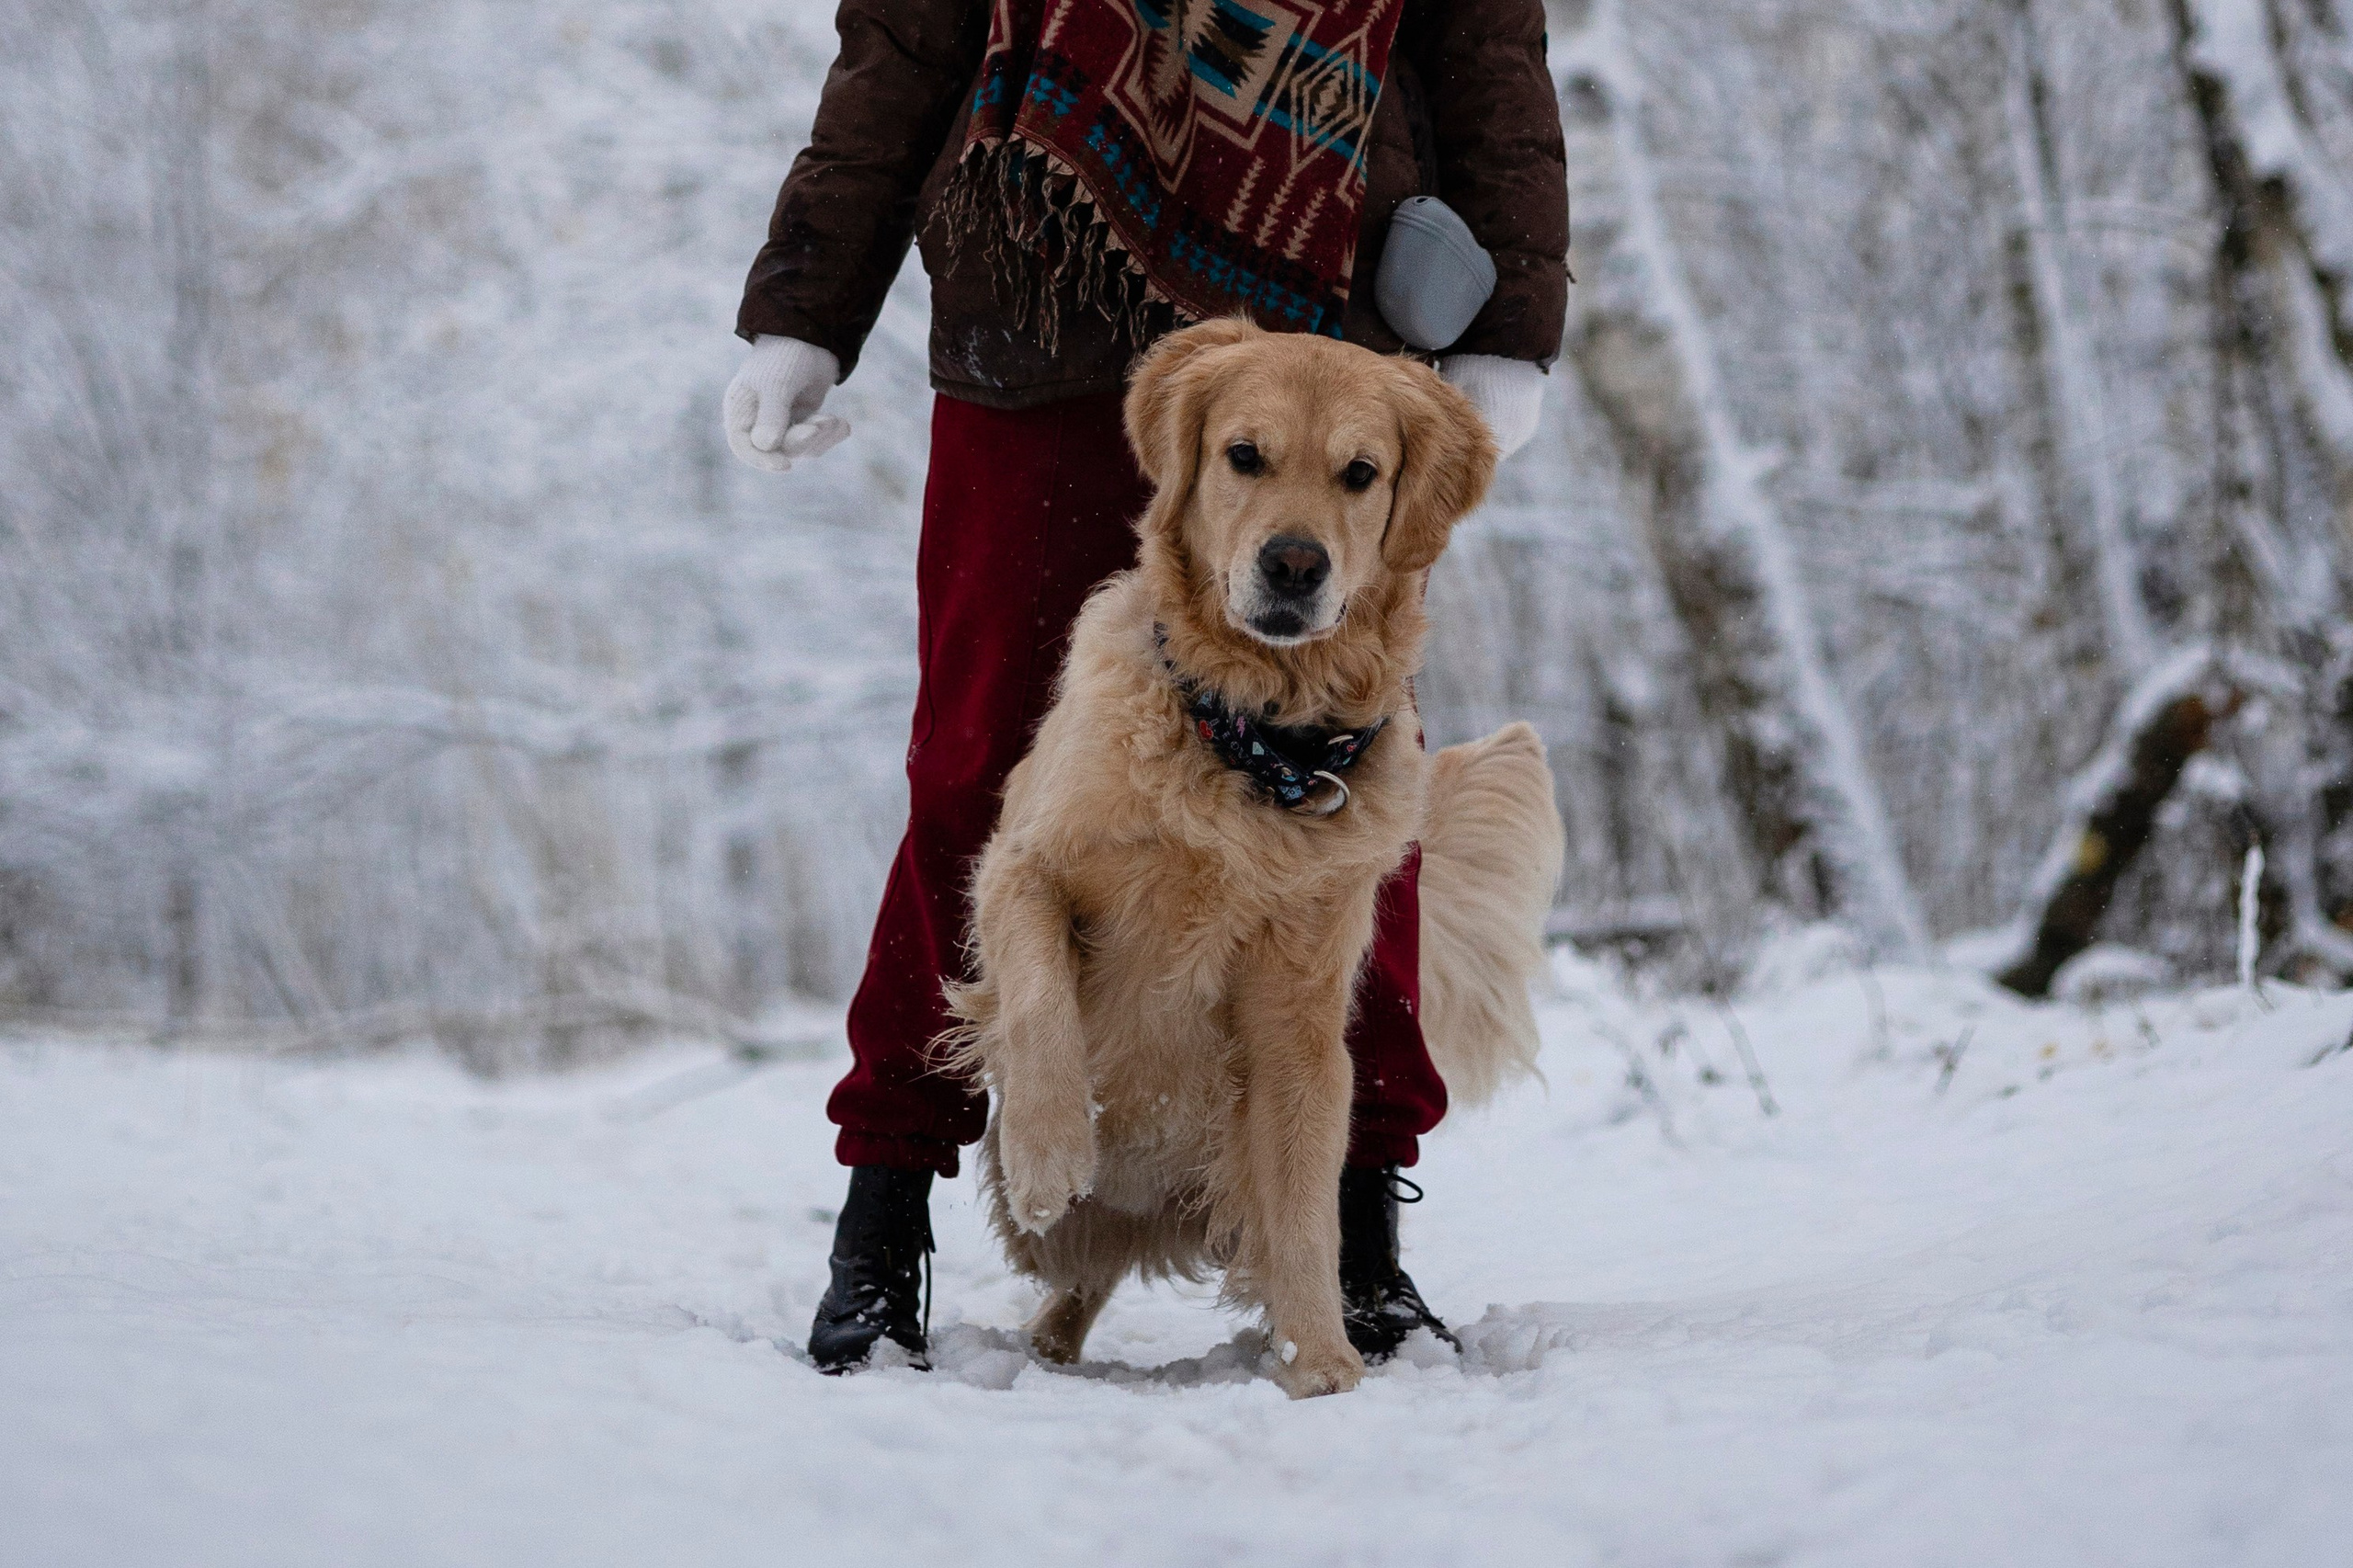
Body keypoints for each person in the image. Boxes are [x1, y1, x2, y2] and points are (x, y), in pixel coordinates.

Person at [727, 0, 1568, 1372]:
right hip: (1038, 284)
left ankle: (1352, 1235)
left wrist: (1514, 318)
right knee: (974, 761)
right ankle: (883, 1219)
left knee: (1350, 780)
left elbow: (1486, 40)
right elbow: (906, 33)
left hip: (1327, 288)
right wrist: (806, 308)